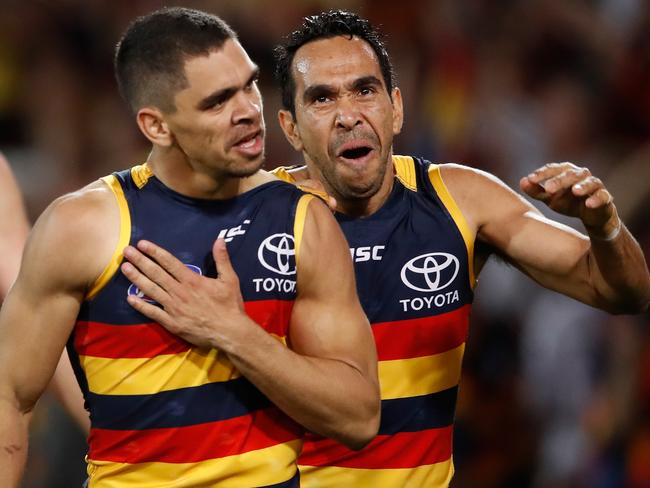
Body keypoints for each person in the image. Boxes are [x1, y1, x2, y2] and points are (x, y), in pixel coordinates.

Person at [120, 9, 650, 487]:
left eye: (364, 90)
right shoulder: (245, 217)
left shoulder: (460, 200)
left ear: (395, 109)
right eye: (322, 98)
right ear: (292, 128)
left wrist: (603, 226)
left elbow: (622, 292)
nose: (349, 113)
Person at [0, 7, 380, 488]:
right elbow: (9, 399)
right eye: (218, 101)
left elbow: (359, 418)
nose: (248, 110)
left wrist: (233, 333)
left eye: (248, 85)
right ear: (157, 126)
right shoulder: (83, 227)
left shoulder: (303, 221)